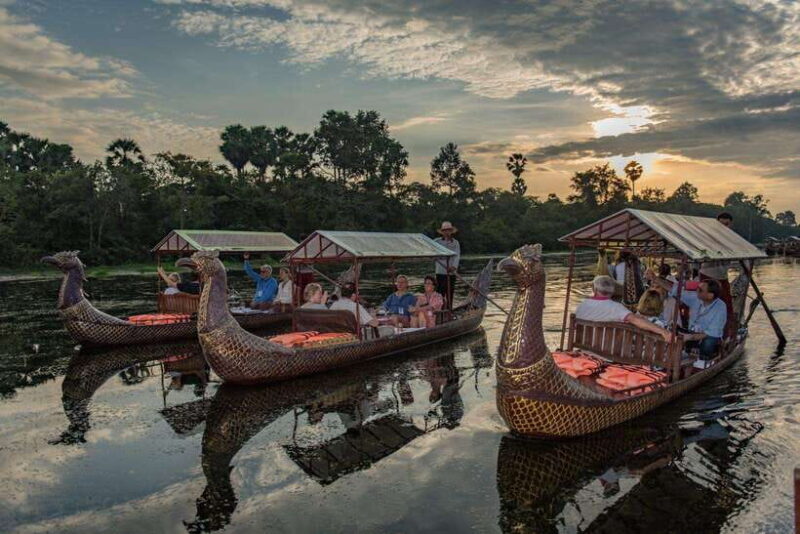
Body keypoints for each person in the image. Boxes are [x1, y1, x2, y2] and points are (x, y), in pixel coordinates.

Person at [575, 275, 673, 342]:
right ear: (613, 290)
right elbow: (635, 320)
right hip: (608, 355)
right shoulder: (616, 308)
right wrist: (663, 332)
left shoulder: (582, 306)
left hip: (585, 349)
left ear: (594, 289)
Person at [670, 278, 727, 365]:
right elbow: (675, 291)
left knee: (708, 342)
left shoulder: (721, 307)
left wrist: (689, 337)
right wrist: (655, 279)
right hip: (692, 332)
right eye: (697, 288)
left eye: (700, 290)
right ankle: (683, 355)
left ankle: (702, 361)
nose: (696, 291)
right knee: (672, 329)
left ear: (710, 295)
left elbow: (712, 332)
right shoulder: (696, 297)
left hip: (708, 335)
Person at [433, 221, 460, 307]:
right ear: (442, 232)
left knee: (450, 293)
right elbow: (431, 249)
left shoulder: (455, 243)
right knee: (440, 294)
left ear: (451, 231)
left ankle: (449, 311)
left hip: (451, 273)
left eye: (448, 230)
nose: (447, 232)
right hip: (440, 272)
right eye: (445, 230)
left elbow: (457, 256)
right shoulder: (436, 241)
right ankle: (439, 312)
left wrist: (453, 267)